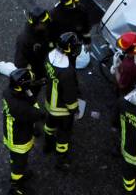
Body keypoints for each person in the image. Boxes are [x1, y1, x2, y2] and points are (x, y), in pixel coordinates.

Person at [41, 32, 81, 170]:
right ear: (69, 48)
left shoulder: (49, 57)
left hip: (49, 103)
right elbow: (70, 96)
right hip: (62, 110)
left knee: (49, 126)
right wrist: (75, 110)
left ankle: (47, 145)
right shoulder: (67, 71)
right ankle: (61, 159)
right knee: (64, 134)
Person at [2, 68, 42, 195]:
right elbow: (37, 113)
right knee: (19, 163)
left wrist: (33, 85)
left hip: (14, 132)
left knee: (18, 160)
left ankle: (20, 175)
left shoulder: (9, 92)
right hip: (18, 139)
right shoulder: (20, 107)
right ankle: (16, 186)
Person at [14, 8, 53, 83]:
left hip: (45, 58)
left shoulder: (44, 28)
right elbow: (19, 61)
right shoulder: (24, 40)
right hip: (36, 66)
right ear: (35, 25)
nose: (47, 23)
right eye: (44, 23)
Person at [111, 31, 136, 96]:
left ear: (127, 50)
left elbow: (122, 85)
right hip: (132, 75)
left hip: (126, 85)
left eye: (122, 48)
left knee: (121, 91)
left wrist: (115, 67)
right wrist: (120, 62)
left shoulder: (129, 67)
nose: (120, 49)